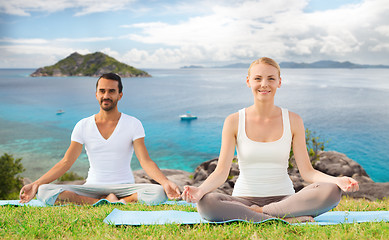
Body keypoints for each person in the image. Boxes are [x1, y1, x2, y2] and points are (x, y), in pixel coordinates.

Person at [182, 57, 359, 223]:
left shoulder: (293, 120)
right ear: (248, 81)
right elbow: (221, 172)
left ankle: (262, 216)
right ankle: (283, 218)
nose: (264, 84)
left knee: (331, 191)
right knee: (207, 204)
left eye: (271, 79)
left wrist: (337, 180)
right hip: (243, 200)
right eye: (258, 78)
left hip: (285, 200)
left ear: (279, 82)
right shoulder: (234, 121)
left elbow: (308, 172)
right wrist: (201, 190)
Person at [20, 72, 180, 205]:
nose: (106, 95)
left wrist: (165, 182)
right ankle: (108, 201)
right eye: (102, 91)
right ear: (96, 94)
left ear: (120, 95)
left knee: (158, 192)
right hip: (92, 186)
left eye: (111, 91)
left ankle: (110, 201)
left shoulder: (133, 124)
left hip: (125, 186)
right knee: (44, 191)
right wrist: (35, 184)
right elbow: (66, 162)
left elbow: (145, 162)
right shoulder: (83, 125)